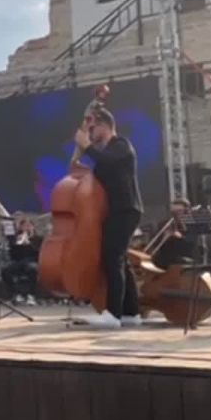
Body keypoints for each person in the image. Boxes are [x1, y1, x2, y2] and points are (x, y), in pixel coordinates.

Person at [74, 108, 143, 328]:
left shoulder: (121, 145)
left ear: (104, 126)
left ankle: (113, 314)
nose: (90, 133)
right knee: (120, 260)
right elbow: (92, 172)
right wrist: (78, 157)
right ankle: (131, 313)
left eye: (92, 128)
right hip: (117, 210)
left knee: (112, 258)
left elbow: (107, 161)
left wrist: (86, 146)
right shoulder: (106, 154)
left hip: (126, 209)